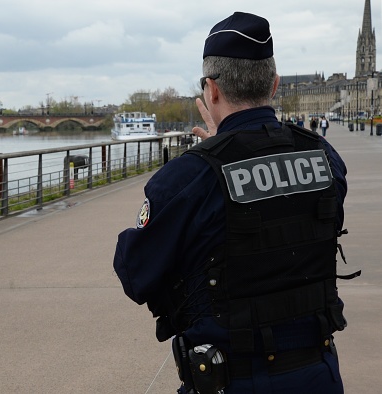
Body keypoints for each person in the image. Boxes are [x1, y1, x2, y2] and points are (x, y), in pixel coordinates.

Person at [113, 12, 357, 394]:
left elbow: (136, 274)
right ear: (274, 85)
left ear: (211, 90)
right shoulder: (324, 157)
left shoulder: (190, 178)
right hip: (318, 374)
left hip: (233, 378)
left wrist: (214, 151)